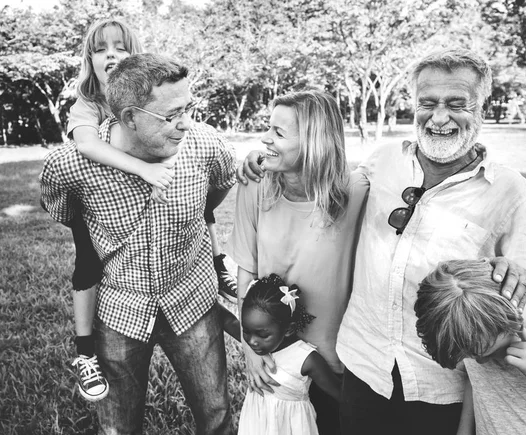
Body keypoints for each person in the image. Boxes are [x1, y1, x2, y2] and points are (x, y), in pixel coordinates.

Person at [333, 48, 526, 435]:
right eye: (427, 103)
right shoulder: (383, 161)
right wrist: (262, 167)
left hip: (442, 385)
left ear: (481, 109)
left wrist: (514, 278)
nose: (438, 117)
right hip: (362, 362)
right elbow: (323, 194)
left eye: (457, 104)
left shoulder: (508, 189)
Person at [40, 53, 236, 434]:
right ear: (129, 117)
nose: (186, 124)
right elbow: (64, 213)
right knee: (118, 426)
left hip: (192, 300)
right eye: (171, 114)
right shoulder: (70, 167)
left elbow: (218, 190)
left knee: (216, 417)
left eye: (189, 107)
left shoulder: (205, 145)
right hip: (119, 312)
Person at [227, 89, 369, 434]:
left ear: (314, 142)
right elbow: (246, 268)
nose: (265, 139)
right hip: (276, 356)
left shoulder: (356, 193)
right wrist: (251, 346)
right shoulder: (255, 186)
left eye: (278, 132)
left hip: (335, 361)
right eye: (268, 128)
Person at [415, 259, 526, 435]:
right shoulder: (474, 336)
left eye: (490, 353)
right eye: (472, 357)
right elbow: (476, 383)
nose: (480, 362)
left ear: (510, 315)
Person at [238, 274, 342, 435]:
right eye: (246, 332)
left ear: (288, 330)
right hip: (257, 424)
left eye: (262, 335)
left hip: (290, 427)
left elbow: (340, 394)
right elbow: (227, 320)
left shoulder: (306, 359)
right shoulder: (256, 347)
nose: (252, 342)